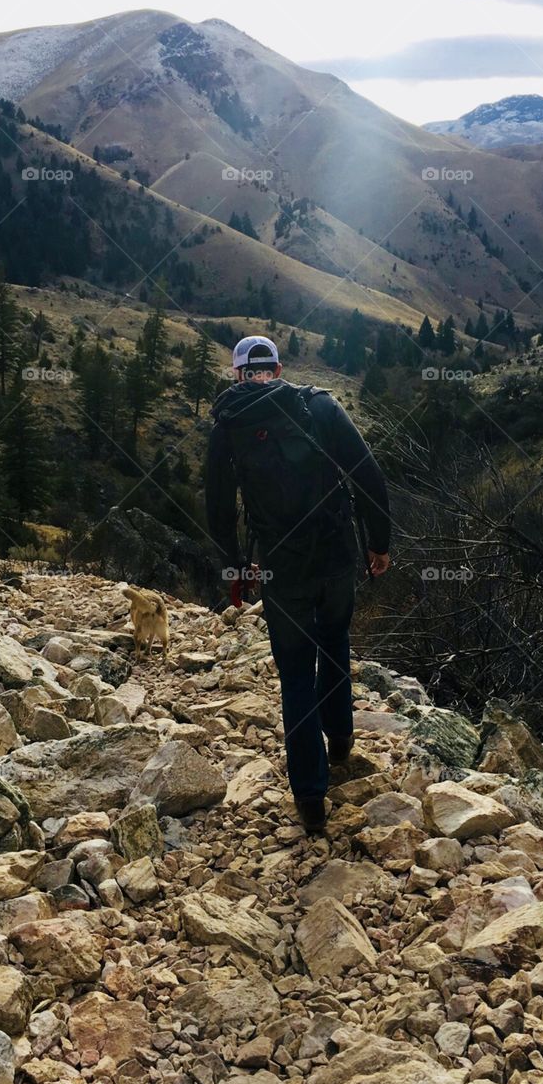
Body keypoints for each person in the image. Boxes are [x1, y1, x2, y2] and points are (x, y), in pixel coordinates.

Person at [205, 334, 390, 833]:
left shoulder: (229, 424)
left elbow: (219, 511)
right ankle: (342, 741)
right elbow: (368, 475)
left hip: (279, 568)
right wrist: (380, 544)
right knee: (334, 642)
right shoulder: (320, 406)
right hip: (335, 556)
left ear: (238, 374)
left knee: (293, 673)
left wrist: (235, 570)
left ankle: (310, 798)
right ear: (279, 369)